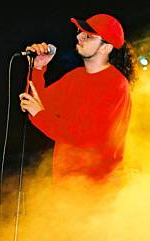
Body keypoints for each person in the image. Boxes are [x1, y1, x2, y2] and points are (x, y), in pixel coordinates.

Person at [19, 13, 135, 184]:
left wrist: (40, 114)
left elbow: (87, 137)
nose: (79, 36)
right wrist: (38, 67)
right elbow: (32, 104)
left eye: (88, 36)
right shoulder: (75, 77)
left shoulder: (115, 84)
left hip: (97, 191)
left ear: (105, 48)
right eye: (80, 32)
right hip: (66, 187)